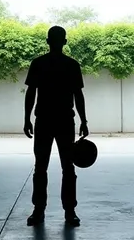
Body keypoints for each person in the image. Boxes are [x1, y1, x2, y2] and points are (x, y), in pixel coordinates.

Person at [23, 25, 89, 227]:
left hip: (43, 120)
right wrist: (84, 121)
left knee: (40, 167)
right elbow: (78, 95)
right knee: (68, 168)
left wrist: (27, 119)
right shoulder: (72, 65)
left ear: (47, 41)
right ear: (65, 42)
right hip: (64, 121)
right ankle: (70, 212)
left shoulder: (38, 63)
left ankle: (38, 211)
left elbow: (31, 93)